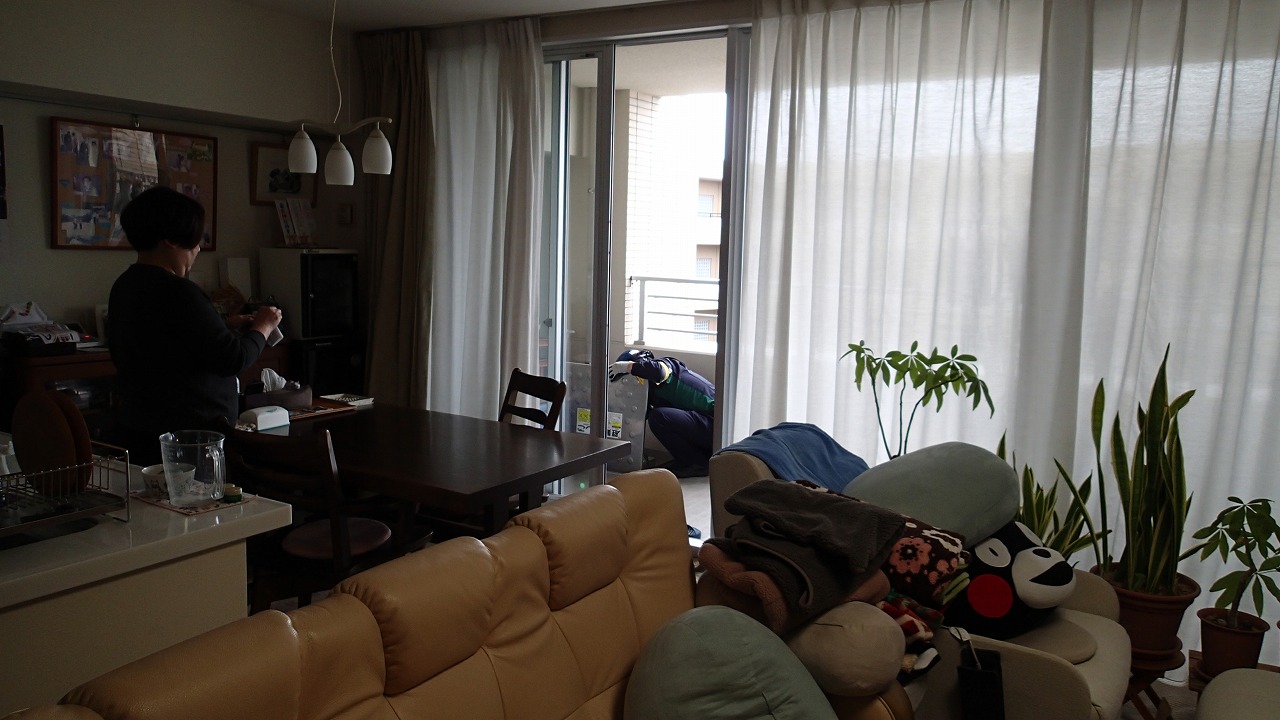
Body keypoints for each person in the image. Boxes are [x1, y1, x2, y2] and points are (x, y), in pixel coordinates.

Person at [106, 186, 282, 465]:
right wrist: (264, 326)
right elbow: (233, 358)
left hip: (141, 428)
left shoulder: (124, 286)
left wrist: (224, 325)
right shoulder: (179, 291)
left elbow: (166, 341)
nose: (198, 248)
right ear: (169, 240)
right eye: (194, 240)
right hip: (190, 440)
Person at [609, 348, 716, 478]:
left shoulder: (667, 366)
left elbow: (658, 371)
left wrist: (626, 367)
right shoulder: (653, 393)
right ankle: (696, 459)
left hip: (715, 424)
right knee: (657, 416)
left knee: (658, 417)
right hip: (708, 429)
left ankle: (696, 463)